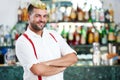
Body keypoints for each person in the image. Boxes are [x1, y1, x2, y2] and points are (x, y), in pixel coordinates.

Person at [15, 1, 78, 80]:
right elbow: (37, 70)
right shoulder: (23, 41)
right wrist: (62, 67)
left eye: (45, 16)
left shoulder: (53, 34)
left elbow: (73, 58)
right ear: (28, 17)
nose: (42, 19)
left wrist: (47, 63)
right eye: (38, 16)